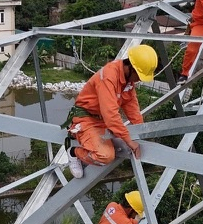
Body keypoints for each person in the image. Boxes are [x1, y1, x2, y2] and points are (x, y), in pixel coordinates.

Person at [65, 45, 157, 179]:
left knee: (122, 146)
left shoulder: (127, 81)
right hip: (86, 118)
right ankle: (74, 153)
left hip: (102, 120)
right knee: (106, 156)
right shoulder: (109, 77)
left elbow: (132, 108)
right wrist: (130, 141)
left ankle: (89, 152)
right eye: (139, 75)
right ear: (130, 66)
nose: (139, 80)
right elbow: (110, 114)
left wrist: (140, 132)